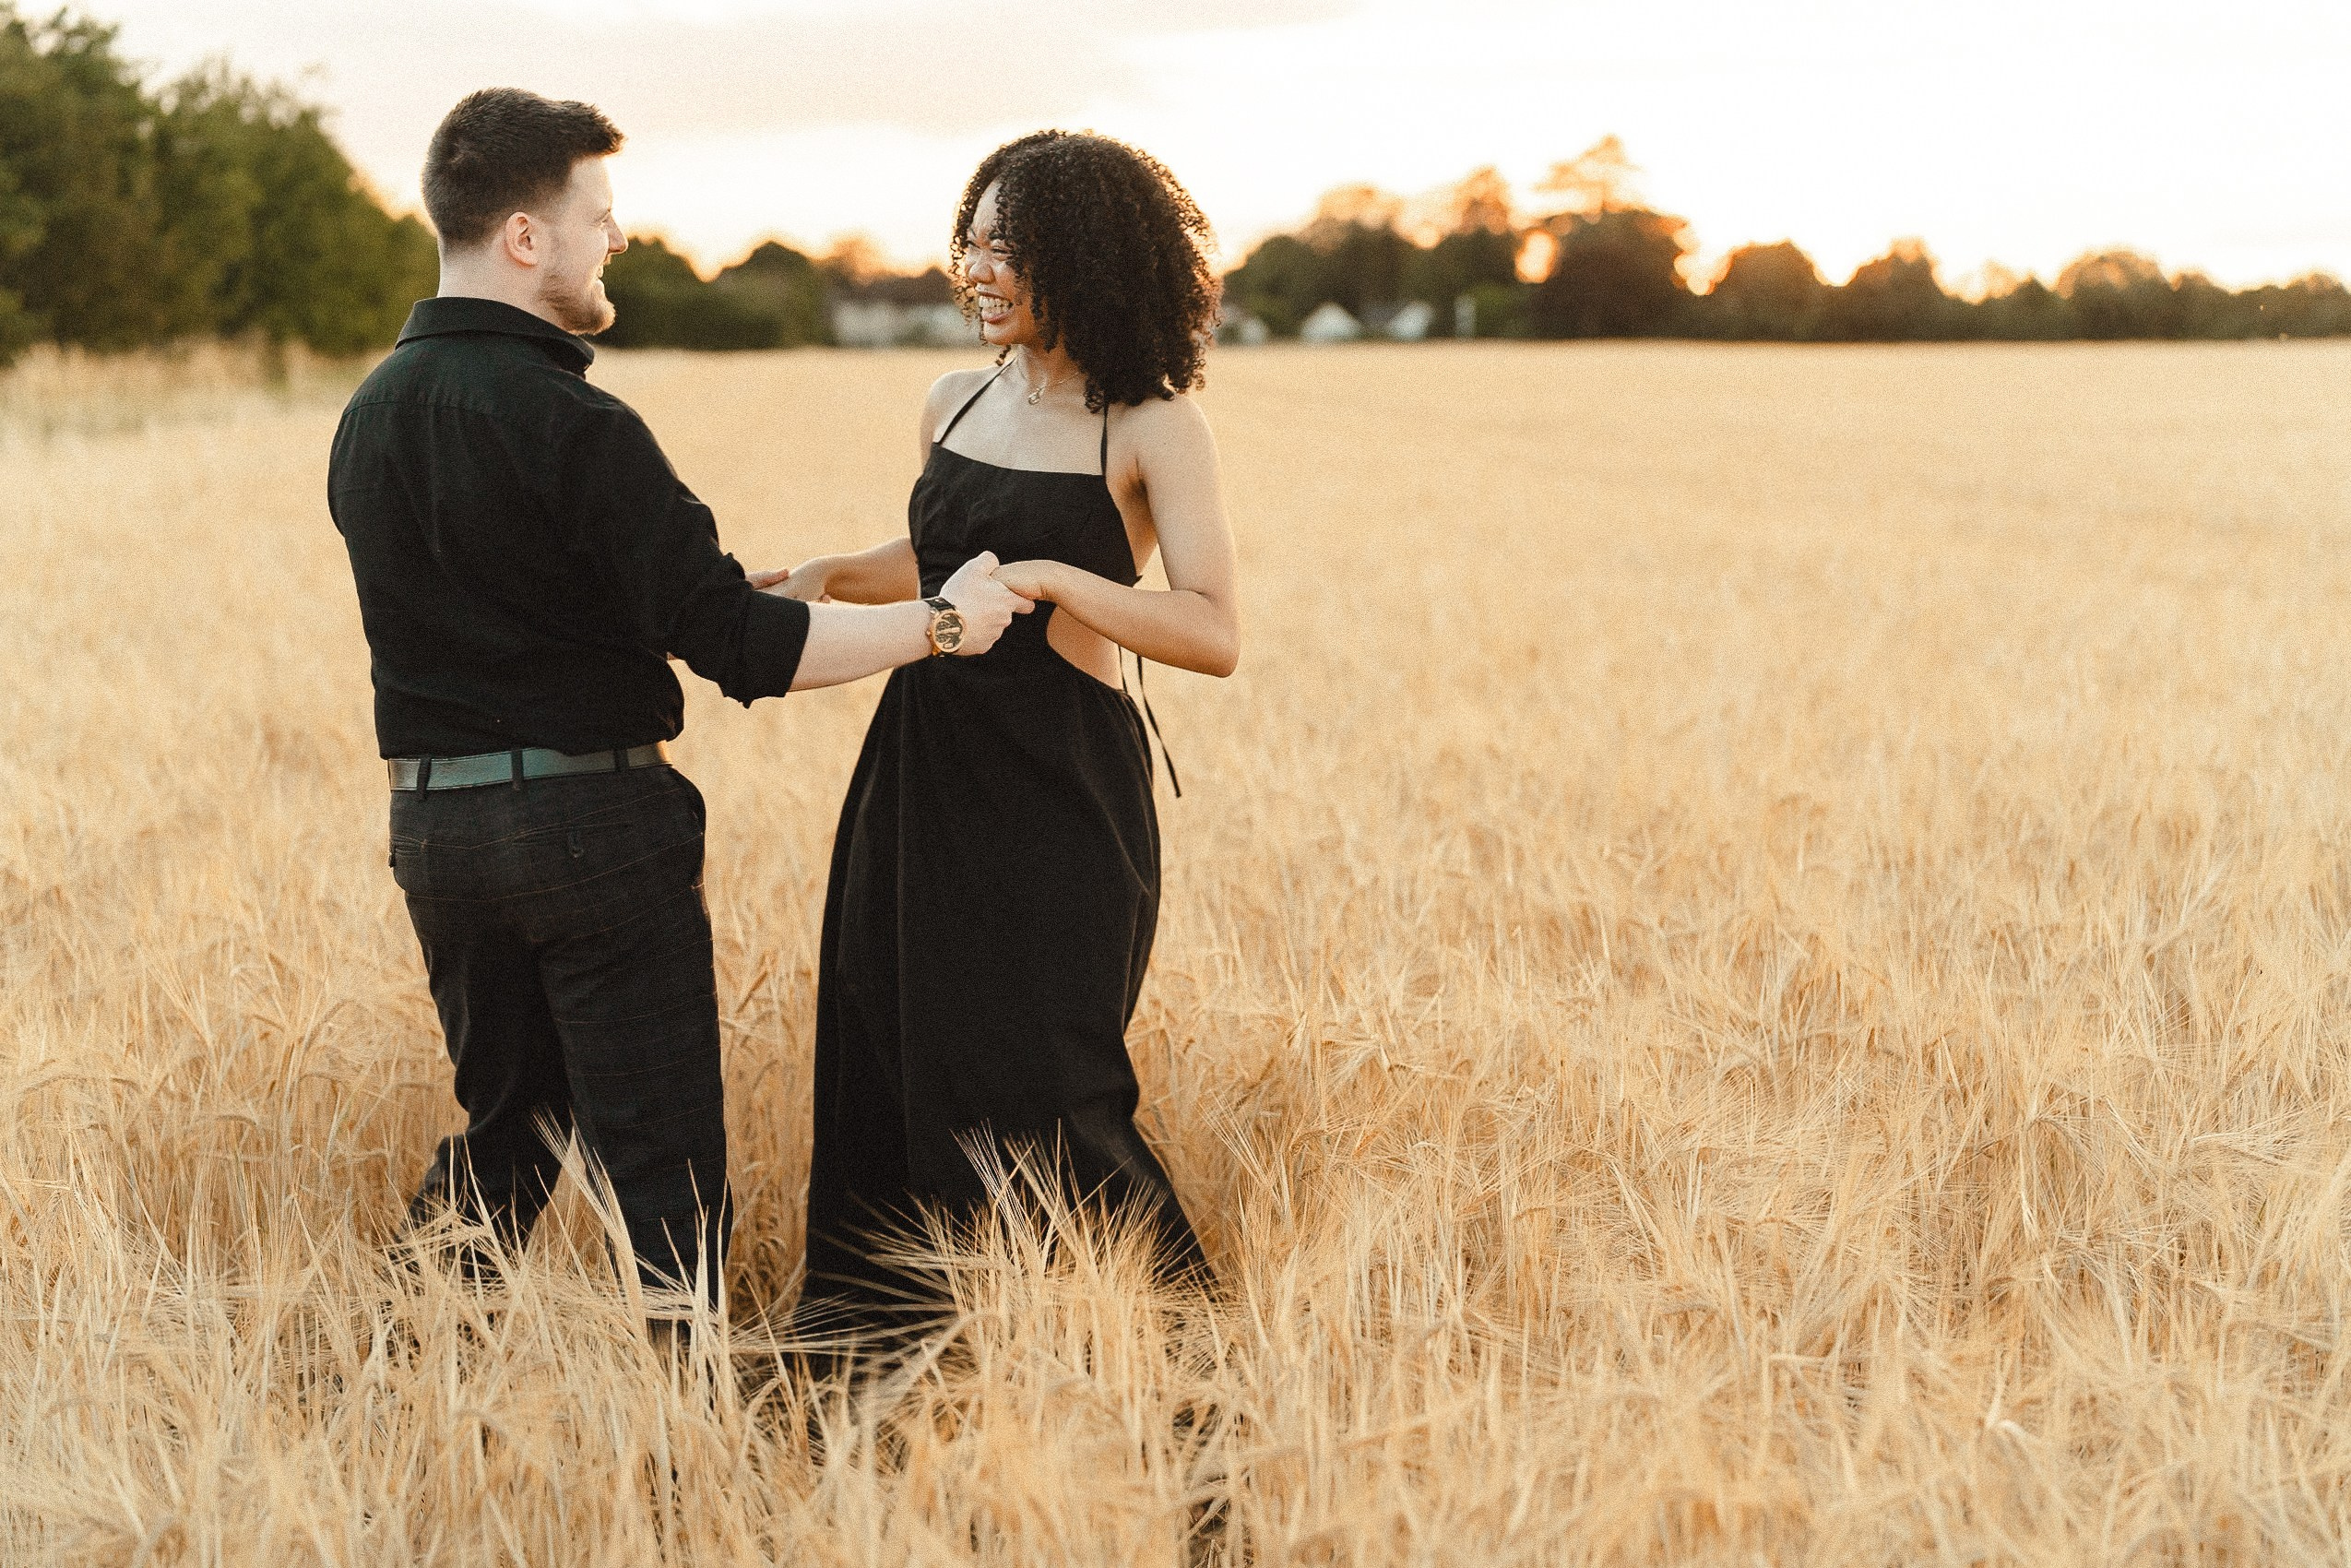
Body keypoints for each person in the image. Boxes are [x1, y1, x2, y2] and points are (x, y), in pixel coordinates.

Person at [327, 89, 1028, 1307]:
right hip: (588, 833)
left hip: (434, 830)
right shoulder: (574, 421)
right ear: (527, 237)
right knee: (663, 1173)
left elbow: (503, 602)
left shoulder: (368, 416)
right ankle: (686, 1440)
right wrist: (942, 624)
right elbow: (745, 651)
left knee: (509, 1135)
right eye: (598, 216)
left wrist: (674, 595)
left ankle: (392, 1389)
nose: (617, 240)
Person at [770, 130, 1240, 1333]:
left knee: (1053, 1085)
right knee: (888, 1054)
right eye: (967, 242)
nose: (975, 269)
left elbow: (1208, 630)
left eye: (1005, 246)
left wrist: (1055, 579)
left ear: (1083, 258)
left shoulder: (1149, 424)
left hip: (1058, 789)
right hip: (920, 767)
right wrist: (827, 571)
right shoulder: (952, 398)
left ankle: (1192, 1379)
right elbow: (935, 558)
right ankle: (881, 1374)